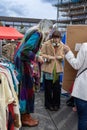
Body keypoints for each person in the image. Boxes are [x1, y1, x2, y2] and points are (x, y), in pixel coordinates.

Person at [14, 19, 53, 127]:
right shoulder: (38, 33)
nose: (50, 32)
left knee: (25, 89)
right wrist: (37, 57)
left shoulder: (34, 31)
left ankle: (25, 116)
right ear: (47, 27)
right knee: (26, 90)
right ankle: (25, 117)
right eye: (50, 29)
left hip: (21, 62)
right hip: (23, 64)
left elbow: (23, 50)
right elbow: (25, 51)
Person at [64, 42, 87, 130]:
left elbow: (77, 65)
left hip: (83, 91)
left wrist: (68, 52)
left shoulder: (85, 46)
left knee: (83, 119)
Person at [40, 30, 64, 111]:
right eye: (55, 38)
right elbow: (41, 54)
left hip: (57, 69)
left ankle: (56, 104)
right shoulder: (46, 44)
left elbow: (63, 55)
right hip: (48, 69)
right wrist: (49, 57)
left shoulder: (62, 45)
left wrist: (61, 57)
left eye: (58, 38)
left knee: (57, 89)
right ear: (52, 38)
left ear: (60, 38)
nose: (57, 40)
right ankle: (48, 105)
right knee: (48, 89)